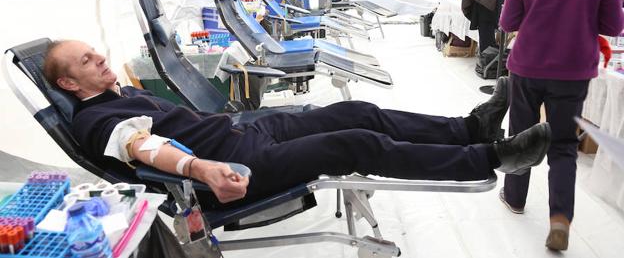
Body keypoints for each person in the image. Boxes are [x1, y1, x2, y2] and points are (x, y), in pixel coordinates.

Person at [43, 40, 551, 208]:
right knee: (358, 142)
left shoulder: (120, 91)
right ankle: (491, 158)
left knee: (359, 112)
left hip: (247, 132)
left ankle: (470, 127)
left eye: (95, 52)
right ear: (68, 85)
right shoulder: (98, 121)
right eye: (86, 62)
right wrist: (200, 170)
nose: (100, 60)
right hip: (241, 163)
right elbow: (143, 148)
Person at [499, 0, 624, 251]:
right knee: (564, 145)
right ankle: (560, 220)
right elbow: (615, 23)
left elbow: (508, 22)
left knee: (521, 133)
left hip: (527, 65)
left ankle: (515, 198)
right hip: (573, 70)